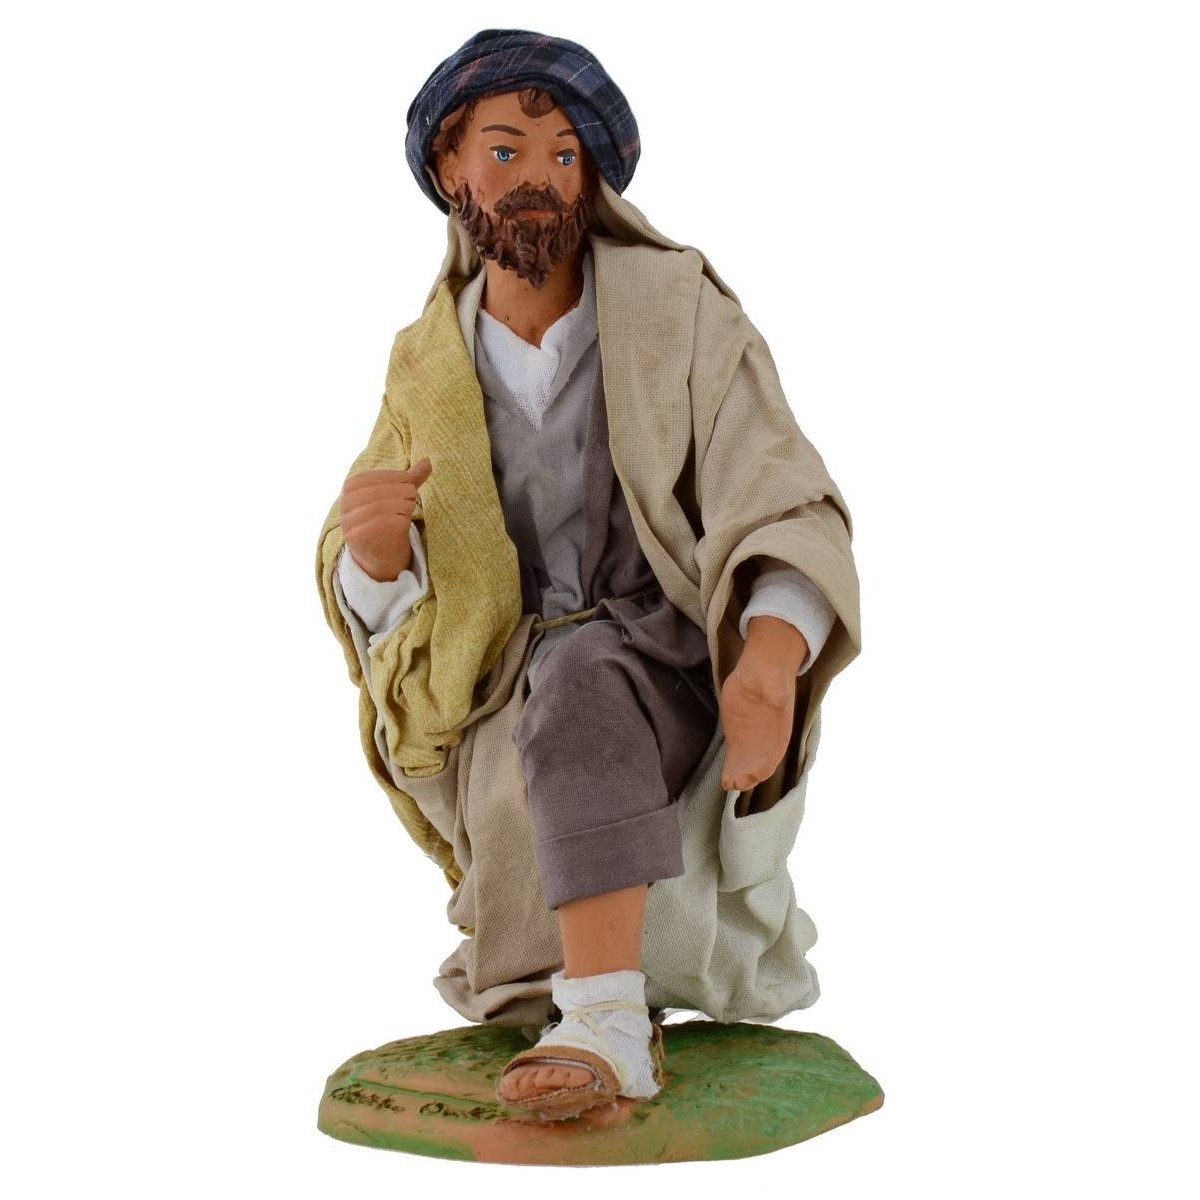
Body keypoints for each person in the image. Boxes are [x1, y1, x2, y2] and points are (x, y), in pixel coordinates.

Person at [316, 29, 861, 1121]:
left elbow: (781, 498)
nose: (538, 178)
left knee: (584, 678)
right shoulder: (426, 362)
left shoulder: (677, 312)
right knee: (550, 703)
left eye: (564, 155)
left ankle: (609, 1023)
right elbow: (378, 580)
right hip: (495, 678)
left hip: (665, 661)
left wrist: (768, 661)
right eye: (506, 151)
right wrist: (374, 559)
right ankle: (569, 990)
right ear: (449, 169)